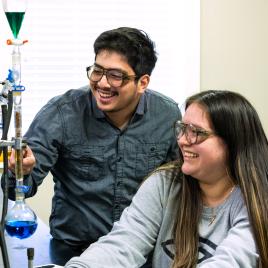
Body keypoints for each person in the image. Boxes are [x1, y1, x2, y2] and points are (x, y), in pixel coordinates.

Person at [4, 27, 181, 265]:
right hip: (73, 250)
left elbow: (181, 184)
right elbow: (19, 188)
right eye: (97, 71)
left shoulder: (167, 114)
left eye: (116, 75)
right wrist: (21, 171)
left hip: (141, 251)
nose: (102, 83)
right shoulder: (62, 113)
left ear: (142, 82)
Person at [64, 90, 268, 268]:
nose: (181, 140)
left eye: (196, 132)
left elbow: (232, 261)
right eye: (182, 128)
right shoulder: (164, 183)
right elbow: (124, 243)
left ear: (233, 142)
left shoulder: (256, 198)